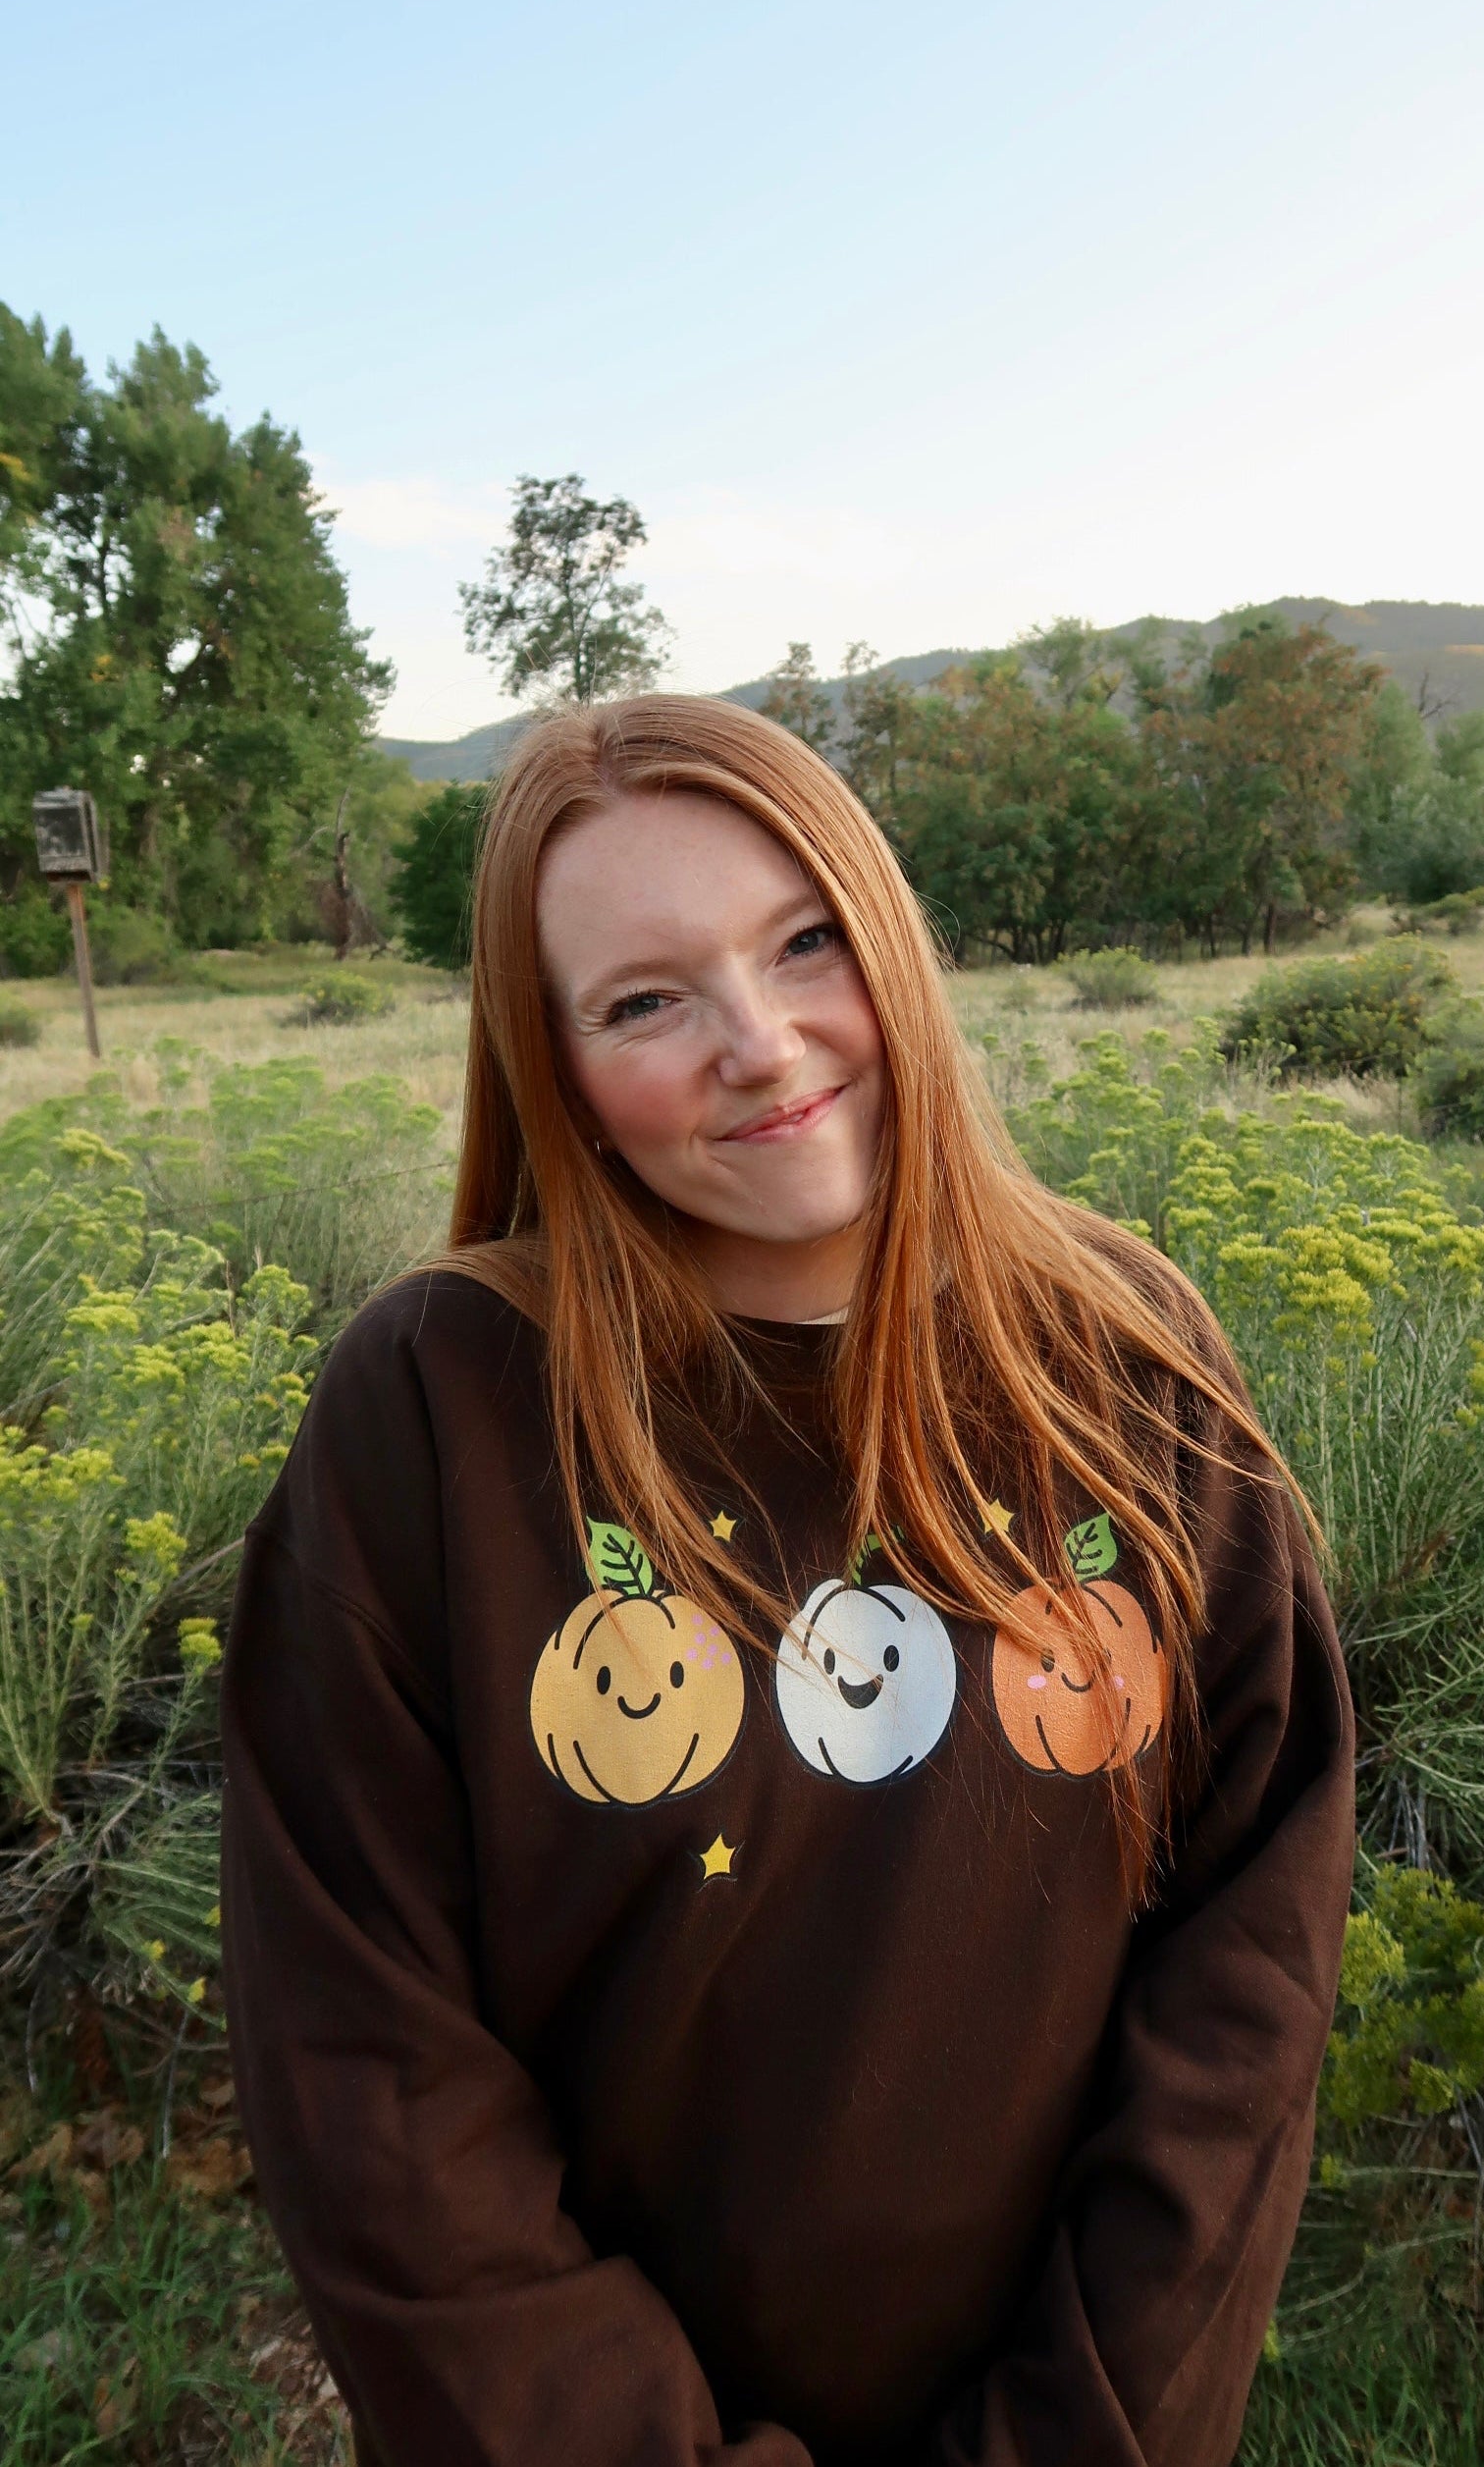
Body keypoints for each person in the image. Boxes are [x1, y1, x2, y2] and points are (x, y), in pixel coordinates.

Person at [221, 696, 1354, 2467]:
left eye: (804, 939)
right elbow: (368, 2074)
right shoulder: (438, 1410)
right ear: (561, 1069)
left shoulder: (1130, 1357)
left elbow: (1247, 1967)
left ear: (888, 930)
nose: (761, 1042)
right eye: (645, 1000)